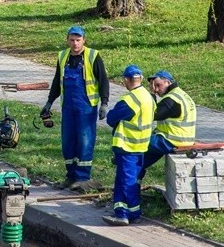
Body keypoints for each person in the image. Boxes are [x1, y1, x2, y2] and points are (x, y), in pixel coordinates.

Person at [40, 25, 110, 191]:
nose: (75, 43)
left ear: (84, 40)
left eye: (78, 40)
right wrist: (49, 102)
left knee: (85, 140)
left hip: (86, 108)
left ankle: (83, 177)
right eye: (72, 40)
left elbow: (104, 81)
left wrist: (105, 103)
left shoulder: (93, 56)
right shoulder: (63, 56)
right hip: (68, 108)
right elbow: (57, 81)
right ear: (67, 40)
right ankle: (71, 176)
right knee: (68, 142)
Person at [103, 65, 156, 226]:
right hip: (141, 145)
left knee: (125, 181)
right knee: (128, 179)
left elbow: (111, 118)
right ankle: (128, 212)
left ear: (126, 80)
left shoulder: (130, 100)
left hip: (127, 145)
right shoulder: (149, 97)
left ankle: (126, 214)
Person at [139, 70, 197, 179]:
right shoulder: (180, 95)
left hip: (170, 141)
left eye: (158, 85)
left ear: (168, 82)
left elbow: (152, 115)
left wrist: (151, 96)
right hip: (180, 140)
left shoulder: (171, 99)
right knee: (140, 162)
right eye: (153, 86)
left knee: (134, 144)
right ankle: (135, 178)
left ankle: (130, 184)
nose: (156, 89)